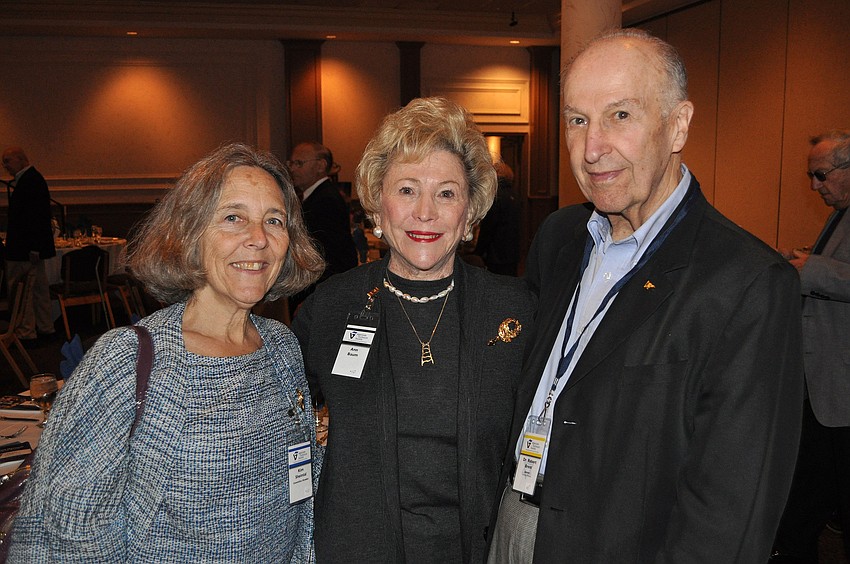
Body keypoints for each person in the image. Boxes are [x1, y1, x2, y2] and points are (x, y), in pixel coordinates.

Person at [486, 29, 804, 562]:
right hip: (512, 526)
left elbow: (731, 514)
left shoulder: (747, 284)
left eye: (621, 116)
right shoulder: (560, 239)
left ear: (678, 125)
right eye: (578, 120)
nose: (591, 149)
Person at [8, 142, 325, 562]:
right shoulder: (129, 360)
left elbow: (295, 492)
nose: (259, 239)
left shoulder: (281, 347)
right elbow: (64, 530)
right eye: (234, 218)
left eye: (275, 221)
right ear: (189, 236)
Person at [291, 97, 535, 563]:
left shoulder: (516, 312)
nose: (426, 211)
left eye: (446, 193)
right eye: (406, 190)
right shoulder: (331, 307)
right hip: (355, 549)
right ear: (377, 210)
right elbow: (270, 405)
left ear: (469, 215)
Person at [771, 129, 850, 563]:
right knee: (805, 501)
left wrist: (812, 269)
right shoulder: (839, 212)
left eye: (821, 175)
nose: (814, 186)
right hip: (821, 390)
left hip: (840, 392)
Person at [287, 141, 358, 311]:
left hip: (316, 297)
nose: (293, 169)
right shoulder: (316, 196)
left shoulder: (326, 200)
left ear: (320, 165)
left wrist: (315, 299)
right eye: (291, 163)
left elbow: (332, 258)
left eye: (299, 163)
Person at [1, 147, 56, 343]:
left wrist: (33, 247)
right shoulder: (33, 179)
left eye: (7, 161)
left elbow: (35, 218)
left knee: (21, 291)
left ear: (21, 160)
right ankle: (45, 327)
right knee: (38, 289)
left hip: (24, 249)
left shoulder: (29, 181)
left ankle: (26, 332)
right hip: (31, 247)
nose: (4, 166)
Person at [473, 160, 521, 275]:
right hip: (512, 251)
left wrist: (478, 251)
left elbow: (488, 227)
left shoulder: (496, 197)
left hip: (496, 253)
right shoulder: (515, 195)